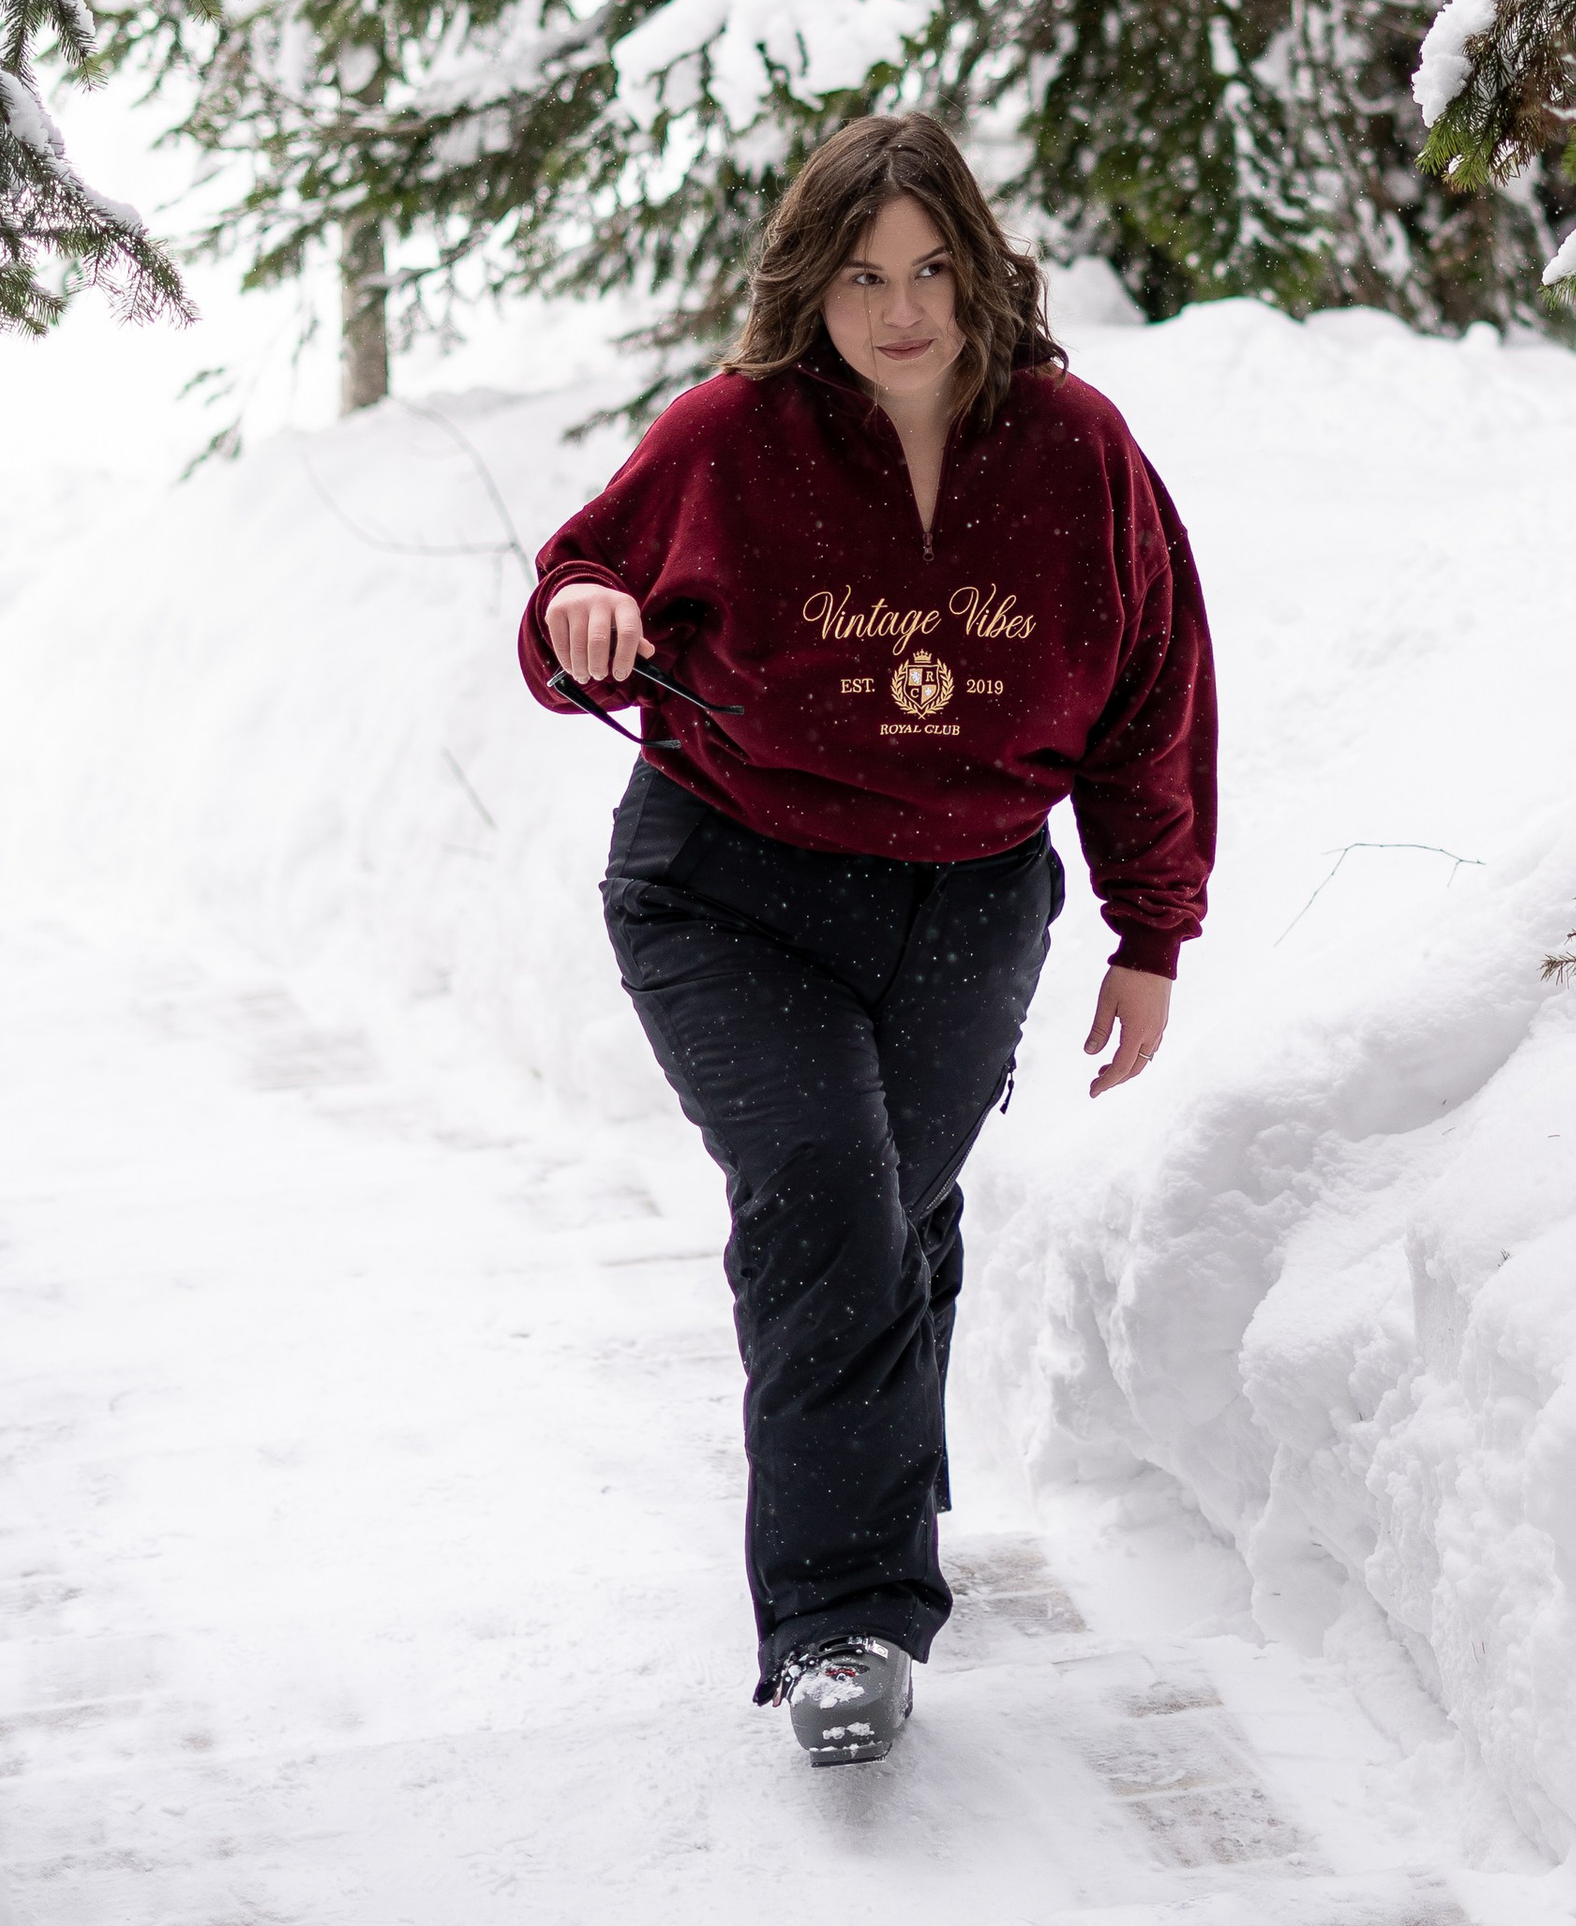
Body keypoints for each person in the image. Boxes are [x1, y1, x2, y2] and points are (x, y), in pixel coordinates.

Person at [517, 113, 1216, 1767]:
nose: (901, 311)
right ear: (809, 288)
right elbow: (573, 605)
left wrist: (1151, 930)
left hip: (970, 892)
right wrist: (587, 616)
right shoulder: (728, 434)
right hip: (726, 882)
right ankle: (846, 1622)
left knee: (887, 1207)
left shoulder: (1075, 449)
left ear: (978, 270)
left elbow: (1151, 695)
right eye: (861, 278)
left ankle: (871, 1466)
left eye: (929, 271)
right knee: (829, 1198)